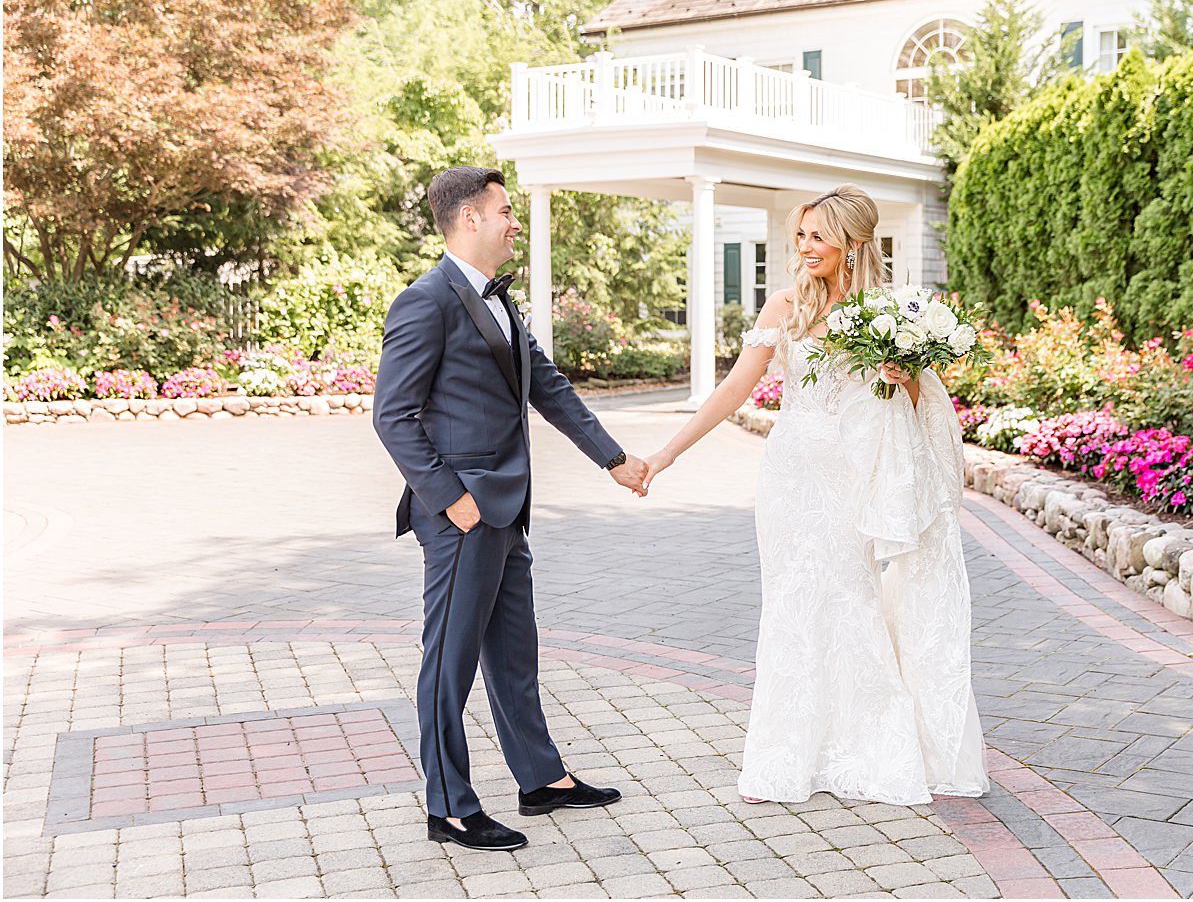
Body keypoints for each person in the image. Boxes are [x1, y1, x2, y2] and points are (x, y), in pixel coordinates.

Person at [642, 184, 988, 806]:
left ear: (853, 244)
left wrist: (903, 378)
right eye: (799, 235)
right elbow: (730, 393)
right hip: (791, 476)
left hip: (851, 477)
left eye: (818, 237)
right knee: (792, 601)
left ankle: (869, 748)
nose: (805, 248)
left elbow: (916, 409)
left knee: (852, 599)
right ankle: (786, 756)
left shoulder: (889, 316)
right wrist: (665, 456)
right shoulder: (783, 308)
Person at [372, 166, 649, 851]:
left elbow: (548, 387)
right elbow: (393, 416)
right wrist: (452, 500)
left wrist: (614, 459)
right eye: (503, 210)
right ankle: (451, 806)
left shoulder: (499, 300)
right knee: (450, 662)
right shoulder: (425, 300)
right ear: (469, 218)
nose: (513, 221)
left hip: (508, 506)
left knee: (513, 650)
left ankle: (540, 777)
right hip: (464, 513)